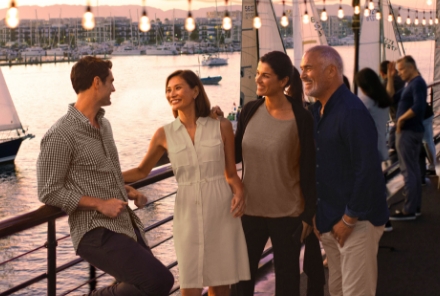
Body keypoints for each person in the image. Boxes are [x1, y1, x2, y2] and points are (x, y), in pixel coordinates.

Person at [37, 56, 174, 296]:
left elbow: (102, 175)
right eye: (111, 81)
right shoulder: (60, 134)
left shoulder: (105, 125)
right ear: (96, 82)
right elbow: (48, 190)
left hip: (124, 225)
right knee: (159, 281)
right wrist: (99, 204)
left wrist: (126, 191)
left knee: (151, 288)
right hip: (94, 231)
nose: (114, 88)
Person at [122, 70, 250, 296]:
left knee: (220, 285)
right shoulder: (164, 134)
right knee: (189, 282)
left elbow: (231, 173)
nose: (172, 93)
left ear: (195, 91)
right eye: (168, 90)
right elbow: (142, 171)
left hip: (221, 208)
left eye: (178, 87)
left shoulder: (221, 126)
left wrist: (240, 193)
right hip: (187, 212)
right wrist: (104, 177)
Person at [301, 45, 388, 296]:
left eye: (308, 68)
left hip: (356, 222)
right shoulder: (319, 111)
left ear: (330, 71)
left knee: (356, 292)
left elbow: (368, 170)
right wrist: (319, 211)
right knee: (338, 289)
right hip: (331, 219)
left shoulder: (351, 112)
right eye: (302, 69)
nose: (303, 74)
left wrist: (349, 218)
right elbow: (323, 165)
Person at [231, 51, 319, 296]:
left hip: (287, 214)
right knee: (241, 280)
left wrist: (308, 214)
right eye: (258, 74)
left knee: (288, 281)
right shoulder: (249, 110)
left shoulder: (302, 117)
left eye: (265, 76)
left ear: (283, 82)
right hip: (249, 211)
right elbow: (236, 155)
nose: (258, 79)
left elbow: (310, 169)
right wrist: (215, 125)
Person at [387, 56, 427, 220]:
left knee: (408, 170)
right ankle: (414, 207)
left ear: (411, 67)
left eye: (402, 69)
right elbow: (390, 98)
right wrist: (389, 78)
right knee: (414, 170)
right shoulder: (409, 85)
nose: (400, 73)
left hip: (408, 132)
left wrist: (401, 120)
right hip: (411, 131)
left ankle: (409, 210)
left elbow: (419, 106)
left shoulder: (417, 83)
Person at [355, 67, 392, 162]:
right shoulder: (383, 100)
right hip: (380, 149)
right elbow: (390, 93)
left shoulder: (364, 102)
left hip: (367, 151)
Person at [380, 60, 405, 154]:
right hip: (404, 114)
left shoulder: (387, 83)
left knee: (393, 141)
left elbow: (389, 94)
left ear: (381, 73)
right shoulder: (401, 78)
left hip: (400, 116)